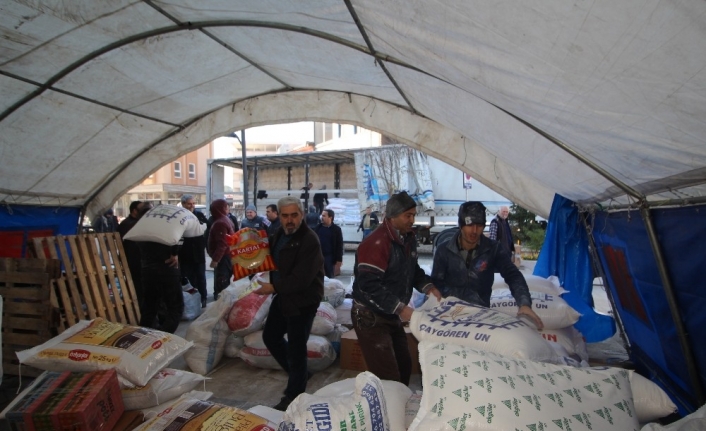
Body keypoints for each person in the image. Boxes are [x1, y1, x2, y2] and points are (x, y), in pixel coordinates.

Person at [351, 192, 441, 385]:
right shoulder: (377, 243)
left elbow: (412, 269)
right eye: (408, 215)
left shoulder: (407, 238)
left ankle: (399, 406)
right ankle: (387, 411)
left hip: (390, 314)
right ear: (392, 216)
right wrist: (401, 308)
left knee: (404, 366)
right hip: (370, 316)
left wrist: (428, 287)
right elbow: (368, 285)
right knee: (388, 377)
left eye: (414, 215)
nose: (412, 220)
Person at [252, 196, 324, 411]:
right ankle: (299, 373)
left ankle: (293, 395)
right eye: (285, 216)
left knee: (296, 348)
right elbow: (270, 262)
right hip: (284, 296)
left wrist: (272, 288)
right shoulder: (278, 236)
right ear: (279, 216)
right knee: (270, 336)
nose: (290, 220)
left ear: (302, 215)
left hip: (303, 300)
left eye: (294, 215)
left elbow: (302, 279)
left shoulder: (309, 240)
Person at [431, 201, 543, 329]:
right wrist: (466, 296)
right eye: (470, 225)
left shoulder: (493, 249)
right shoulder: (444, 250)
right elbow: (436, 284)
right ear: (461, 225)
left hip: (480, 316)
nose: (474, 231)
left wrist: (524, 303)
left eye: (479, 225)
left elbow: (513, 275)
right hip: (448, 314)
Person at [137, 202, 184, 334]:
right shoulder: (163, 226)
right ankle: (163, 337)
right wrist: (175, 253)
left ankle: (142, 338)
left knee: (149, 307)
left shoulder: (139, 228)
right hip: (167, 269)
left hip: (147, 271)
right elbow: (178, 239)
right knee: (175, 308)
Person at [178, 195, 208, 308]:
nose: (192, 206)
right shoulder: (180, 216)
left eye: (193, 203)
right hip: (185, 254)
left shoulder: (198, 214)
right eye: (189, 204)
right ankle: (193, 302)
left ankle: (203, 298)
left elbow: (207, 227)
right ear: (183, 204)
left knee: (201, 277)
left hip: (198, 254)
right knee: (189, 279)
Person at [207, 199, 236, 301]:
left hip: (223, 258)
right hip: (226, 257)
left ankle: (221, 305)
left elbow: (222, 244)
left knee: (221, 283)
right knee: (224, 281)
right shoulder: (225, 219)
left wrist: (215, 260)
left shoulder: (220, 223)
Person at [117, 200, 144, 308]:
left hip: (142, 261)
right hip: (134, 262)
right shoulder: (128, 224)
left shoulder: (137, 222)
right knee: (138, 289)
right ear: (134, 211)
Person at [314, 209, 343, 278]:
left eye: (324, 216)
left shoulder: (336, 230)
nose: (322, 217)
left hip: (329, 257)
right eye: (322, 215)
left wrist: (339, 259)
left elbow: (339, 245)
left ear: (330, 217)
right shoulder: (318, 228)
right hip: (318, 256)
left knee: (329, 277)